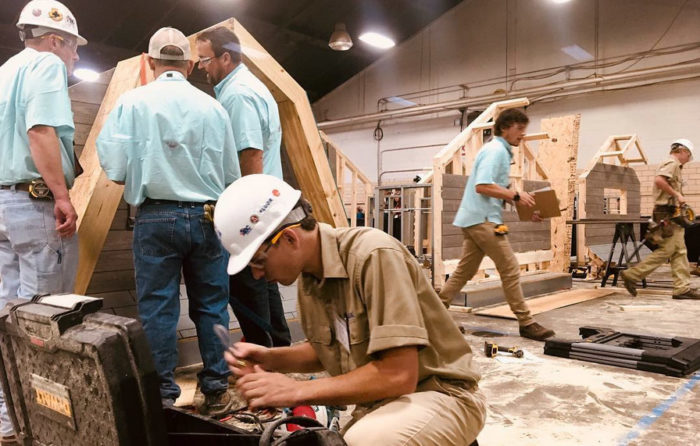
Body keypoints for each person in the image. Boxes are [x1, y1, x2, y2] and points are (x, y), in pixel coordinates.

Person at [213, 174, 486, 446]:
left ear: (289, 238)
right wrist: (270, 359)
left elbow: (399, 374)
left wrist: (296, 390)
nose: (257, 275)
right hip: (388, 402)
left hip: (444, 394)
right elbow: (328, 349)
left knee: (365, 442)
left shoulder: (373, 255)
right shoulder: (311, 280)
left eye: (258, 261)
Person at [96, 27, 241, 414]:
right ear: (190, 64)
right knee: (212, 305)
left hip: (156, 216)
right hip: (209, 216)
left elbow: (113, 166)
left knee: (158, 309)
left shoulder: (132, 102)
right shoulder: (213, 108)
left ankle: (162, 398)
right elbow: (231, 174)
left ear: (149, 61)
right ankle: (216, 390)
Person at [0, 1, 86, 443]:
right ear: (55, 40)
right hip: (34, 207)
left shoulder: (5, 71)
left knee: (8, 315)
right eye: (73, 48)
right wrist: (62, 195)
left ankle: (8, 418)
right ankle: (48, 423)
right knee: (45, 320)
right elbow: (40, 131)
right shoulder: (46, 66)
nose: (74, 57)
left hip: (3, 206)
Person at [195, 27, 291, 348]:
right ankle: (279, 354)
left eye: (205, 60)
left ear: (225, 57)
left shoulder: (237, 95)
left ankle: (264, 358)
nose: (202, 67)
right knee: (263, 283)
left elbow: (250, 155)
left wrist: (247, 220)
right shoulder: (250, 87)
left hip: (251, 212)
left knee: (247, 288)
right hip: (262, 207)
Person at [437, 108, 555, 341]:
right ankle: (526, 322)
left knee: (464, 271)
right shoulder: (496, 151)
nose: (523, 134)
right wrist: (517, 195)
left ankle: (434, 315)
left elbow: (498, 192)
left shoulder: (500, 151)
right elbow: (482, 186)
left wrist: (527, 210)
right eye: (519, 129)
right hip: (483, 220)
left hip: (477, 218)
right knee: (510, 267)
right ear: (504, 128)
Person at [621, 139, 700, 299]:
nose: (688, 159)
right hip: (666, 214)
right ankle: (632, 275)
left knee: (679, 251)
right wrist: (677, 194)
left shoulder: (673, 165)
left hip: (671, 213)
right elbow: (659, 180)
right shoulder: (672, 163)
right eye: (688, 156)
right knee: (667, 250)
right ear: (683, 151)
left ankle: (682, 288)